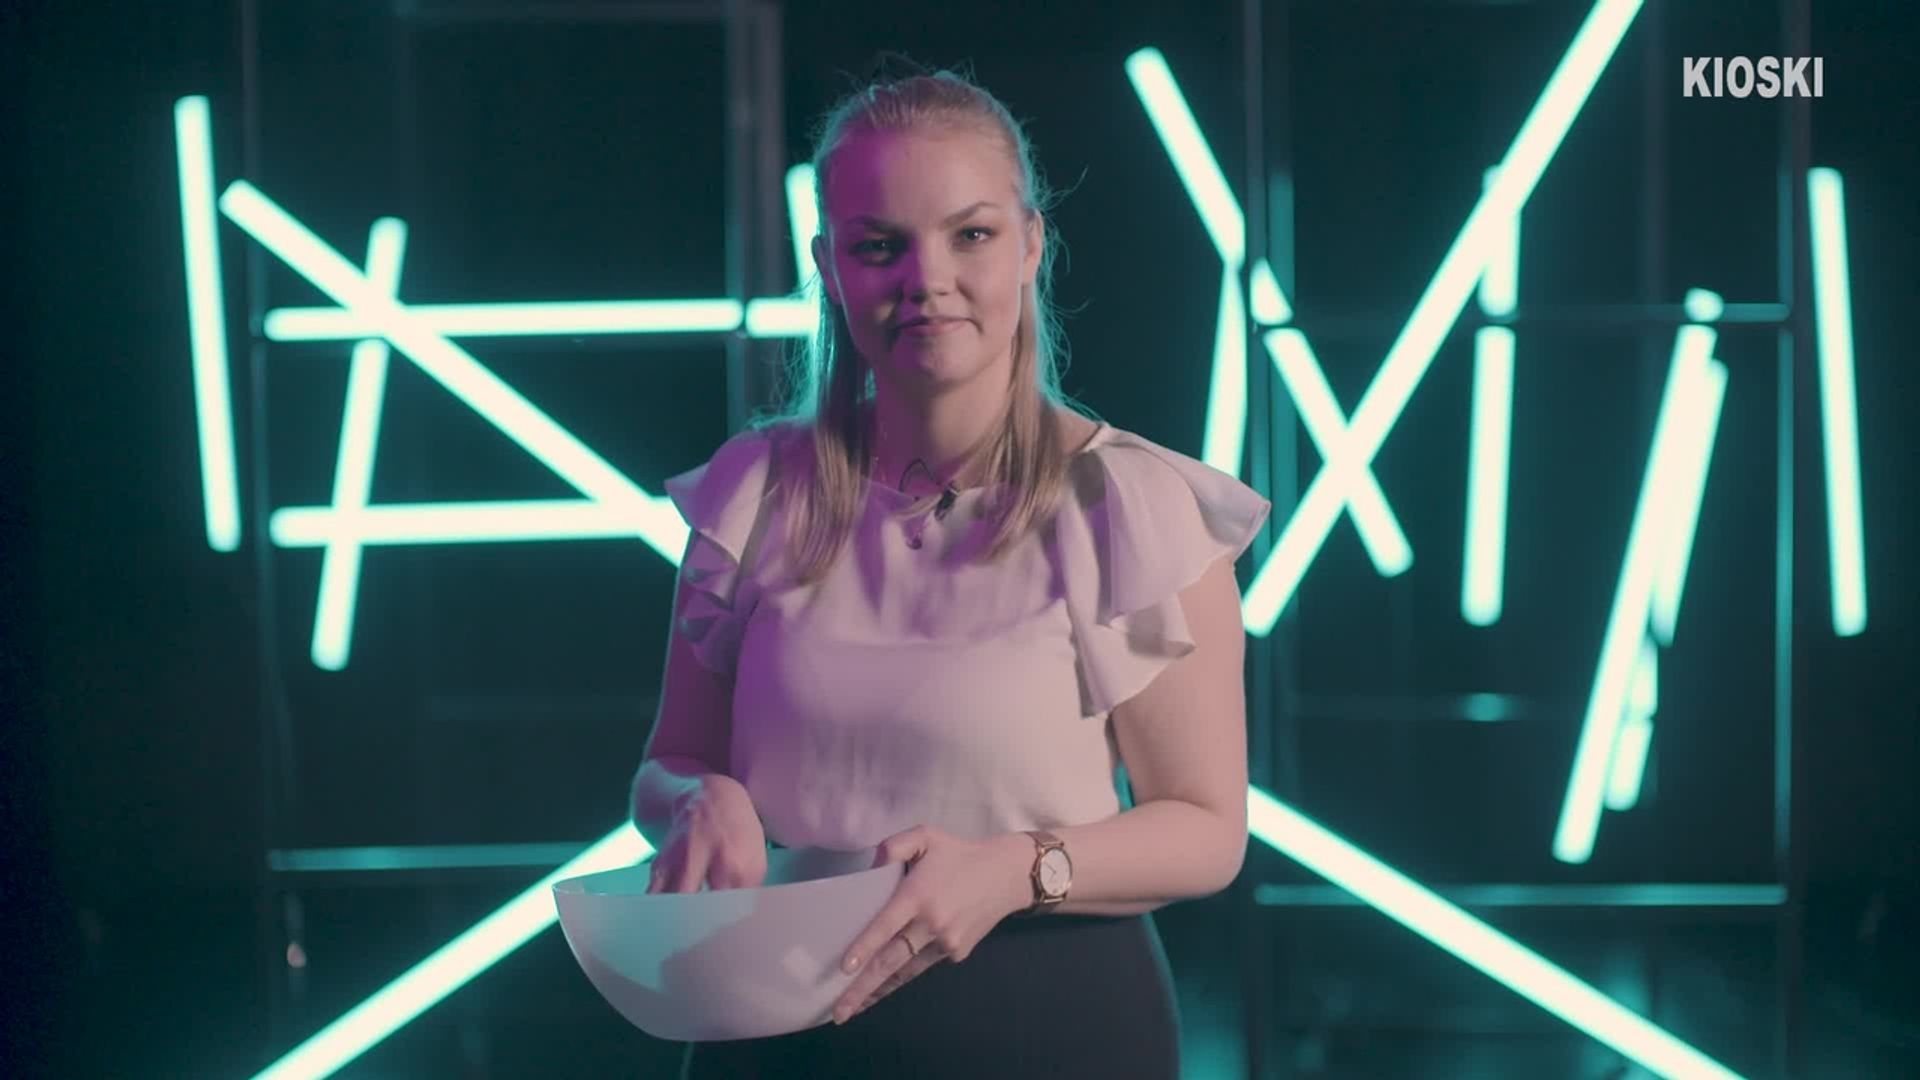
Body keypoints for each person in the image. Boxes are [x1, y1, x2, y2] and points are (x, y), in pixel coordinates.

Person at [629, 64, 1270, 1079]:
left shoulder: (1131, 506)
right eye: (879, 245)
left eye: (969, 234)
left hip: (1051, 1027)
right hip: (771, 1035)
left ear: (1030, 245)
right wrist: (697, 800)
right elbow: (665, 766)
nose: (925, 278)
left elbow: (1207, 830)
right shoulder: (751, 492)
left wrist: (1016, 870)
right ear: (828, 263)